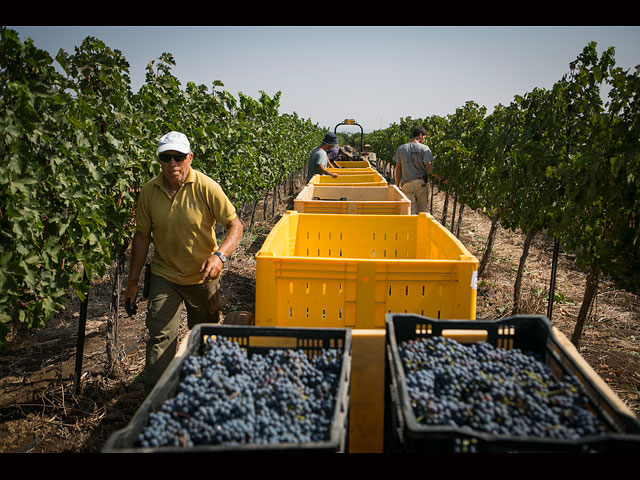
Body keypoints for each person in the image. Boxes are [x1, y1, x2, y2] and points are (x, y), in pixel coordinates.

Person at [124, 131, 243, 395]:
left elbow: (235, 225)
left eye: (178, 157)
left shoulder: (206, 187)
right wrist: (132, 283)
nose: (172, 164)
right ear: (159, 161)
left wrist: (220, 255)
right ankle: (157, 398)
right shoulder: (149, 191)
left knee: (204, 334)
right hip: (164, 275)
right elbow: (142, 236)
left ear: (190, 157)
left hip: (202, 277)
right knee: (159, 335)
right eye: (166, 158)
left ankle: (203, 389)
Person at [393, 126, 445, 214]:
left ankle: (411, 227)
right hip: (421, 184)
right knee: (421, 212)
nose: (424, 140)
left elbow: (398, 169)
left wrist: (397, 185)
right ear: (420, 135)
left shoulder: (401, 149)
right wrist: (441, 178)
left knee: (410, 212)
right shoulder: (424, 149)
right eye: (424, 138)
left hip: (406, 184)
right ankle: (419, 227)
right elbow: (429, 167)